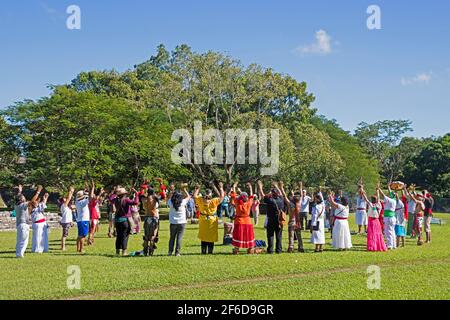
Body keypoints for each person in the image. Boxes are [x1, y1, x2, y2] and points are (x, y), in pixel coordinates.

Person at [194, 182, 225, 254]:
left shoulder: (201, 199)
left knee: (204, 236)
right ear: (211, 194)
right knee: (211, 237)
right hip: (212, 220)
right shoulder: (214, 201)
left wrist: (197, 189)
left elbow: (195, 196)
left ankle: (203, 251)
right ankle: (210, 252)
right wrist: (221, 188)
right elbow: (222, 196)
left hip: (203, 219)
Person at [257, 181, 286, 254]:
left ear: (272, 194)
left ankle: (270, 250)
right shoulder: (281, 199)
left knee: (270, 235)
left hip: (271, 220)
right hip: (279, 220)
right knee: (279, 236)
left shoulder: (270, 200)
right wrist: (278, 187)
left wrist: (260, 187)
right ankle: (279, 250)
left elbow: (262, 195)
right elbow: (282, 194)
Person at [14, 185, 40, 258]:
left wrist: (20, 191)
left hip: (19, 225)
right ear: (21, 200)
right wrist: (38, 192)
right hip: (24, 225)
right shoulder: (22, 205)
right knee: (24, 240)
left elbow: (19, 197)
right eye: (23, 197)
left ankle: (18, 253)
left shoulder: (17, 205)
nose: (24, 198)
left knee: (19, 240)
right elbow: (32, 201)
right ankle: (20, 254)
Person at [230, 182, 256, 254]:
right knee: (248, 235)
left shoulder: (237, 203)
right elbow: (251, 196)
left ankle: (236, 249)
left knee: (238, 235)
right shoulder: (248, 203)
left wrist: (234, 186)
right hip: (247, 221)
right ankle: (250, 249)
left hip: (239, 221)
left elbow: (233, 195)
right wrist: (250, 188)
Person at [278, 182, 304, 253]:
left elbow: (284, 196)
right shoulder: (299, 203)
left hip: (292, 221)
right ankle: (301, 247)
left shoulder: (290, 204)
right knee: (299, 236)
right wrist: (301, 187)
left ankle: (291, 247)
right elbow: (301, 196)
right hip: (298, 221)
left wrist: (281, 187)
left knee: (291, 236)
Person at [113, 187, 139, 256]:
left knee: (118, 236)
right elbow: (136, 202)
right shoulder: (126, 200)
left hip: (117, 221)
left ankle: (117, 252)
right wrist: (136, 194)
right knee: (125, 236)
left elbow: (112, 198)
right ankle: (124, 252)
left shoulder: (116, 200)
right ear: (124, 194)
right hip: (125, 221)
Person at [167, 184, 190, 256]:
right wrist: (184, 190)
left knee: (172, 238)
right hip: (182, 222)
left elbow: (168, 198)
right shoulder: (183, 202)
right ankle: (177, 252)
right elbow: (189, 196)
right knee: (179, 238)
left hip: (173, 222)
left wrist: (171, 192)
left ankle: (170, 252)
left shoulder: (171, 202)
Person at [377, 184, 397, 250]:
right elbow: (390, 193)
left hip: (388, 218)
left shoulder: (390, 200)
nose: (389, 194)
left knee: (388, 232)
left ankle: (389, 245)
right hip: (392, 217)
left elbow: (383, 195)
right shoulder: (394, 200)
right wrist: (388, 187)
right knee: (392, 231)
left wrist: (379, 188)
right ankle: (394, 245)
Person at [142, 189, 160, 256]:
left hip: (147, 217)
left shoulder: (144, 199)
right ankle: (151, 251)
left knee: (146, 236)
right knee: (153, 236)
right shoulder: (154, 199)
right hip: (153, 217)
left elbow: (141, 195)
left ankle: (145, 251)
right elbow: (162, 196)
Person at [75, 188, 91, 254]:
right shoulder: (83, 202)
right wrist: (90, 190)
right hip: (84, 220)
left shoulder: (77, 201)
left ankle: (78, 248)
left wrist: (84, 193)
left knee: (79, 235)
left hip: (79, 220)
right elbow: (90, 197)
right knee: (83, 236)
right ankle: (81, 249)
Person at [60, 186, 75, 251]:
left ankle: (62, 246)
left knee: (65, 234)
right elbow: (69, 198)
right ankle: (63, 247)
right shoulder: (64, 205)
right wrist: (71, 191)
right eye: (64, 199)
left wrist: (71, 221)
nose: (66, 199)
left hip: (67, 221)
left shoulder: (67, 206)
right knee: (64, 235)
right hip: (65, 222)